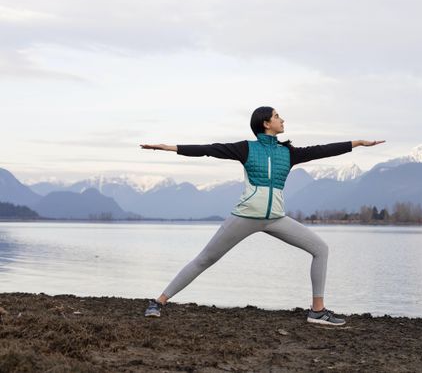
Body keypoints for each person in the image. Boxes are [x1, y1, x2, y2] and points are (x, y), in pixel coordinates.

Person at [139, 106, 384, 326]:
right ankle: (158, 302)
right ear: (266, 123)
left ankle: (317, 311)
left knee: (320, 248)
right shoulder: (246, 148)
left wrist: (357, 143)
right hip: (245, 217)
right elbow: (208, 150)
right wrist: (169, 148)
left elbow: (323, 151)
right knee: (205, 259)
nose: (282, 119)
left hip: (276, 218)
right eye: (277, 116)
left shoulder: (288, 152)